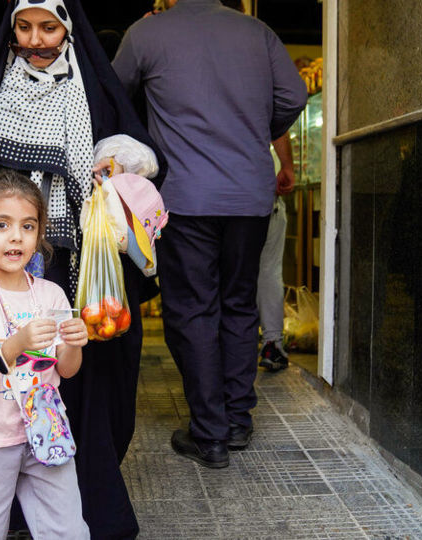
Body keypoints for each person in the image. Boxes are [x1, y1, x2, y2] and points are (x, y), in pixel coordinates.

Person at [0, 1, 164, 536]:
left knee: (70, 375)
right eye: (24, 27)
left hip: (73, 262)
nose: (36, 39)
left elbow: (142, 159)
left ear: (68, 29)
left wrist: (115, 167)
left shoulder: (93, 90)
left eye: (48, 27)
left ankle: (68, 503)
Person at [113, 0, 307, 468]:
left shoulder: (146, 34)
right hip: (249, 195)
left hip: (185, 196)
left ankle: (210, 433)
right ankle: (237, 420)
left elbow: (113, 96)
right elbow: (295, 96)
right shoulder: (258, 32)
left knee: (193, 309)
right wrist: (253, 130)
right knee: (239, 304)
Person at [0, 170, 89, 538]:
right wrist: (16, 343)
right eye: (1, 225)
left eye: (28, 226)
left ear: (39, 235)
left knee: (68, 531)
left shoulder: (51, 294)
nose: (16, 236)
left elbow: (67, 370)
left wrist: (74, 342)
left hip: (47, 429)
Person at [258, 131, 295, 371]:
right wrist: (287, 166)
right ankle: (272, 343)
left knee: (223, 273)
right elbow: (279, 127)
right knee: (268, 271)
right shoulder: (256, 101)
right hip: (258, 197)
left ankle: (218, 346)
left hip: (203, 201)